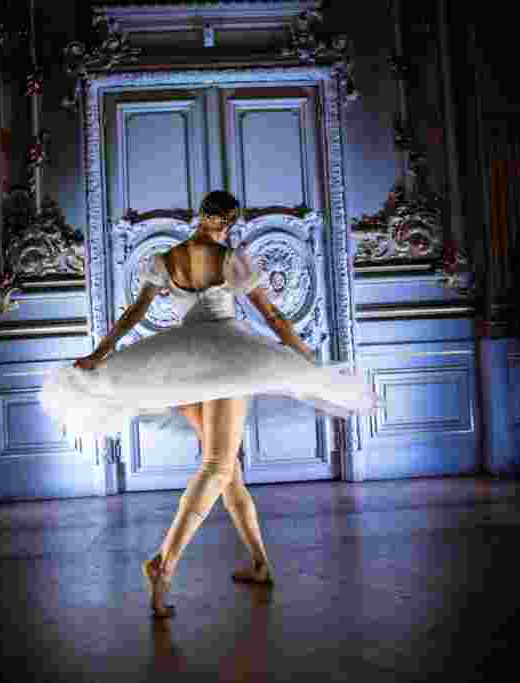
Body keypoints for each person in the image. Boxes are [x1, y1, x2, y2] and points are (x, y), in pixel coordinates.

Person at [40, 190, 381, 618]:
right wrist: (305, 357)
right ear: (230, 222)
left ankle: (259, 562)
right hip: (225, 359)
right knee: (219, 465)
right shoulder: (230, 258)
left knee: (228, 470)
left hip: (182, 365)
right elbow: (272, 316)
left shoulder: (167, 259)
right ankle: (163, 565)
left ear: (200, 217)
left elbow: (133, 314)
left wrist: (101, 354)